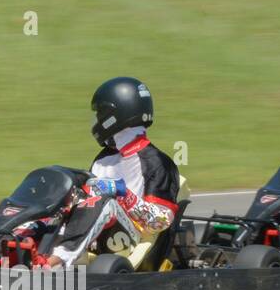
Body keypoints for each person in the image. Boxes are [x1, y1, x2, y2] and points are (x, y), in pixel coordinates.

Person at [42, 77, 181, 269]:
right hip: (95, 235)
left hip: (130, 242)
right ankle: (9, 250)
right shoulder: (104, 159)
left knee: (106, 203)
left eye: (99, 113)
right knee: (57, 195)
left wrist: (122, 193)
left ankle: (53, 262)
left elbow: (160, 221)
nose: (96, 120)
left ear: (114, 116)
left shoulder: (157, 162)